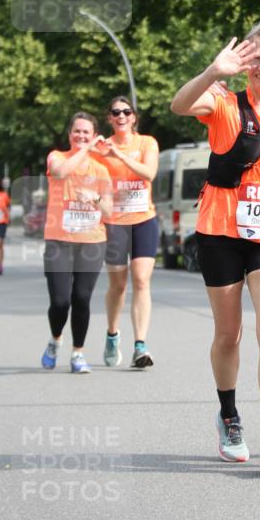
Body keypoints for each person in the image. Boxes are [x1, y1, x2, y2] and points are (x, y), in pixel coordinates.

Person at [171, 20, 260, 468]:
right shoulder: (225, 103)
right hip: (220, 230)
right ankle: (229, 417)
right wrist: (213, 71)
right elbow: (179, 103)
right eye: (255, 58)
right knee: (229, 334)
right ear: (244, 63)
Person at [41, 112, 113, 373]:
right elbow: (60, 173)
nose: (81, 136)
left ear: (94, 135)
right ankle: (55, 339)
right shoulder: (57, 157)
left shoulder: (101, 170)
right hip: (59, 240)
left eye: (87, 133)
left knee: (81, 298)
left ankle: (78, 353)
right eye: (77, 132)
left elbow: (108, 210)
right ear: (70, 134)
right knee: (60, 301)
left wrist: (93, 198)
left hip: (92, 241)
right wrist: (86, 151)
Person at [94, 97, 159, 369]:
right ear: (109, 118)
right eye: (115, 113)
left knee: (141, 280)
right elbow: (94, 185)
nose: (121, 116)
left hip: (144, 219)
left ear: (134, 118)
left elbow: (149, 173)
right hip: (115, 222)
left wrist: (118, 155)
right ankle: (112, 333)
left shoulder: (146, 143)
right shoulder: (100, 150)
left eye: (126, 112)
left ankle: (140, 345)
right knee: (118, 285)